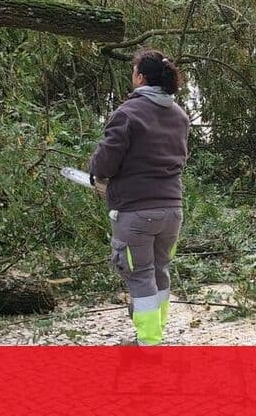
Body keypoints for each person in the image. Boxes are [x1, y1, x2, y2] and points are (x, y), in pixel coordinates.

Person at [88, 48, 190, 345]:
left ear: (141, 77)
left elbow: (105, 162)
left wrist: (96, 171)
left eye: (134, 72)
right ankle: (155, 334)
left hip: (135, 212)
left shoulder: (128, 113)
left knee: (140, 276)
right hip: (172, 210)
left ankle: (148, 342)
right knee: (160, 271)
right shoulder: (180, 115)